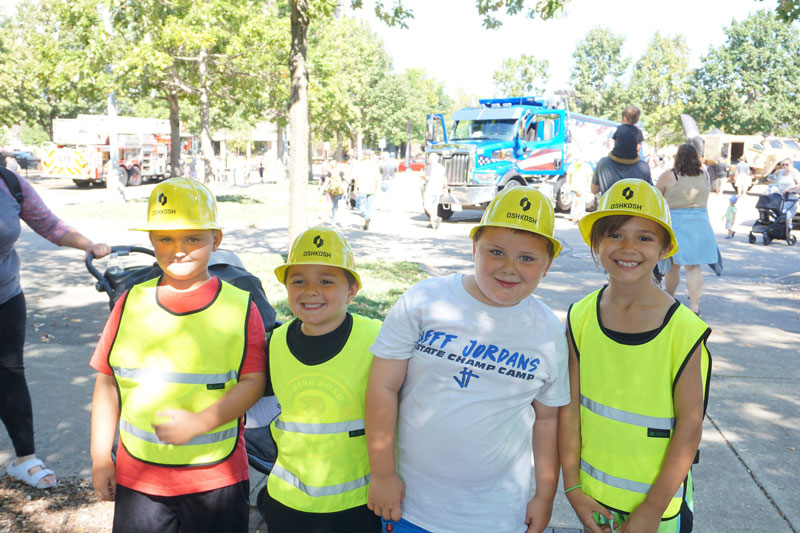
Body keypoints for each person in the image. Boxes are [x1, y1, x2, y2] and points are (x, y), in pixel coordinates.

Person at [366, 186, 570, 533]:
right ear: (474, 248)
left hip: (498, 513)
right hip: (413, 504)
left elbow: (547, 419)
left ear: (547, 265)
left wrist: (545, 495)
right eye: (496, 252)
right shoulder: (424, 300)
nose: (509, 268)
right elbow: (382, 387)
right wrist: (383, 474)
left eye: (527, 258)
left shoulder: (549, 331)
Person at [89, 177, 266, 532]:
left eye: (193, 238)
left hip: (217, 479)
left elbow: (253, 383)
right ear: (151, 241)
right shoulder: (129, 304)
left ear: (216, 239)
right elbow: (107, 382)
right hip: (139, 477)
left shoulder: (240, 308)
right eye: (165, 238)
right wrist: (99, 459)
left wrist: (199, 424)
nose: (178, 249)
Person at [560, 178, 711, 533]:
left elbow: (690, 427)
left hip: (660, 513)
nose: (628, 247)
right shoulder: (579, 317)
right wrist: (574, 489)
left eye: (644, 238)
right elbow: (568, 411)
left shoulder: (684, 330)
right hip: (595, 504)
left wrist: (651, 511)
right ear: (596, 243)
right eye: (615, 235)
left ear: (663, 250)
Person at [263, 227, 382, 533]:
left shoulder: (376, 339)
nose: (311, 290)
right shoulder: (275, 342)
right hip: (288, 501)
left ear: (352, 290)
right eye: (298, 280)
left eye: (326, 281)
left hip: (358, 504)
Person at [0, 168, 110, 489]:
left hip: (5, 296)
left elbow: (48, 223)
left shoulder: (9, 183)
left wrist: (88, 244)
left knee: (10, 374)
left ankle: (25, 459)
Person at [656, 144, 720, 315]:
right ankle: (695, 307)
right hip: (700, 224)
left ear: (678, 157)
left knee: (673, 266)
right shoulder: (704, 175)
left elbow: (656, 197)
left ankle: (669, 300)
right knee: (693, 267)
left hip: (676, 224)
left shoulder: (669, 176)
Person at [354, 151, 381, 231]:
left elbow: (357, 178)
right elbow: (376, 179)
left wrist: (355, 188)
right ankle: (367, 218)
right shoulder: (374, 166)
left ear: (363, 156)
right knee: (369, 207)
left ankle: (366, 216)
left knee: (361, 206)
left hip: (362, 188)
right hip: (371, 189)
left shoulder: (360, 165)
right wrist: (375, 189)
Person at [422, 153, 445, 229]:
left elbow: (427, 178)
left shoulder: (429, 167)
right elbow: (445, 179)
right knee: (434, 207)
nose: (429, 160)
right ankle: (432, 224)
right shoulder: (442, 167)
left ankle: (435, 218)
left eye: (429, 158)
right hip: (438, 189)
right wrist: (445, 188)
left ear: (432, 159)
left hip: (430, 189)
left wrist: (422, 176)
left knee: (426, 206)